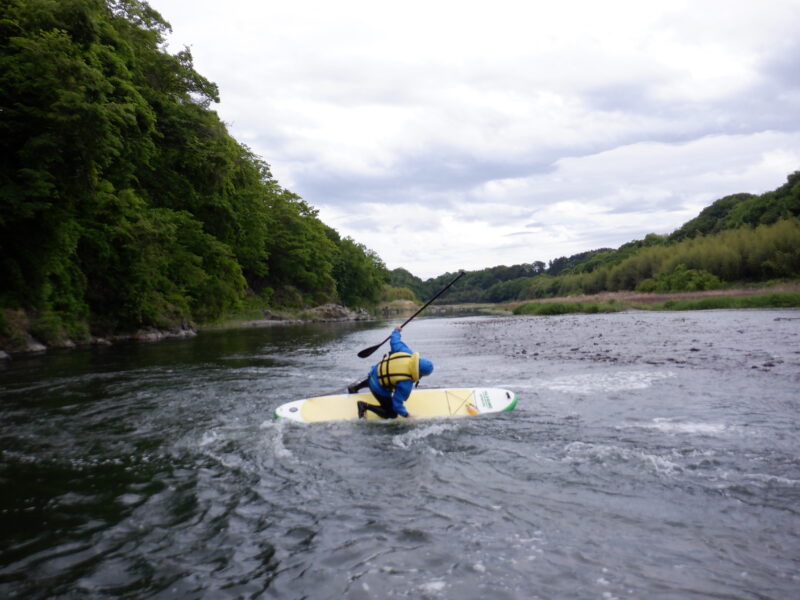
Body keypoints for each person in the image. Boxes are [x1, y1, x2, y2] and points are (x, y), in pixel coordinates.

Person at [348, 326, 434, 419]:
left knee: (383, 375)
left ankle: (354, 387)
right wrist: (407, 415)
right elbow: (396, 405)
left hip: (373, 372)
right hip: (378, 387)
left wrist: (396, 331)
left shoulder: (406, 352)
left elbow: (394, 341)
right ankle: (364, 406)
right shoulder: (406, 382)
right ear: (420, 374)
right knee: (391, 414)